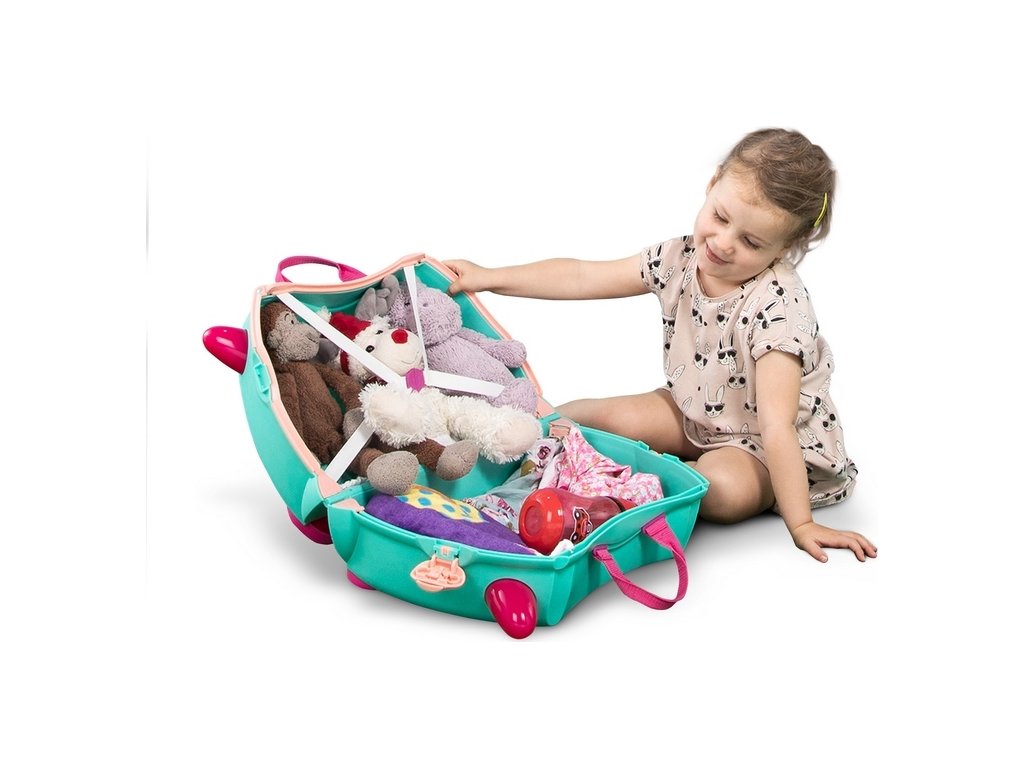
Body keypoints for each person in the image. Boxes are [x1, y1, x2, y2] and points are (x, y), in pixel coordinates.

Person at [444, 128, 876, 563]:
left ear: (787, 248)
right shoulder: (678, 259)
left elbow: (778, 426)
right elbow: (581, 276)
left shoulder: (779, 308)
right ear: (713, 184)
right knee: (581, 417)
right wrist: (490, 276)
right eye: (720, 217)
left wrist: (802, 524)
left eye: (751, 242)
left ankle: (631, 486)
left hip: (767, 448)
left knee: (721, 490)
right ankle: (514, 450)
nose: (723, 243)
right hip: (695, 414)